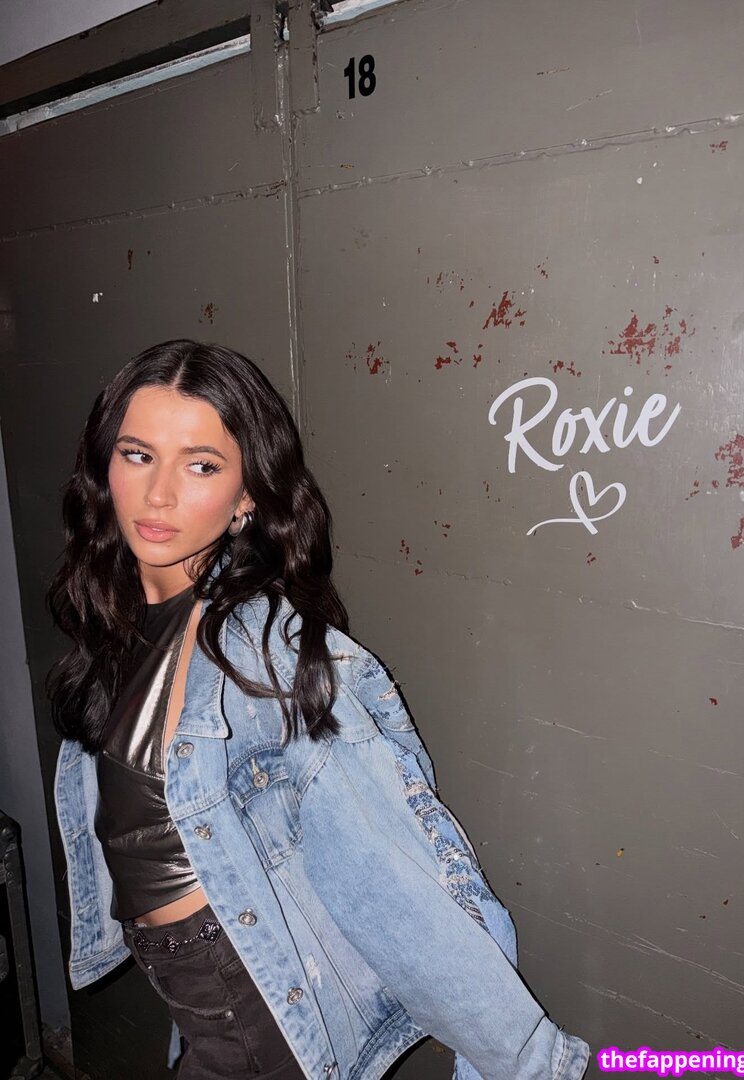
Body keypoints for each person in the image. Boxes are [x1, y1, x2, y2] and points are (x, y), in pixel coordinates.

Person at [46, 339, 591, 1080]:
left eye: (201, 465)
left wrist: (521, 1059)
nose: (159, 494)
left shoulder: (266, 655)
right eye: (138, 455)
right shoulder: (117, 618)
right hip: (190, 993)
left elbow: (399, 878)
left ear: (247, 497)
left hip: (255, 1018)